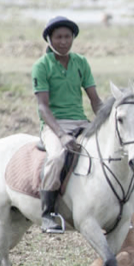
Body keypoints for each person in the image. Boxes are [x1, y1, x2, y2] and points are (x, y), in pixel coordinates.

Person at [32, 16, 103, 234]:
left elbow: (94, 99)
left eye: (67, 37)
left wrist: (105, 122)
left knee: (106, 151)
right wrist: (62, 135)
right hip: (54, 125)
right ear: (49, 39)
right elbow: (43, 107)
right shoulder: (41, 66)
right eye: (58, 37)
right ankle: (49, 214)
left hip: (81, 121)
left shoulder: (81, 63)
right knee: (56, 157)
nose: (63, 41)